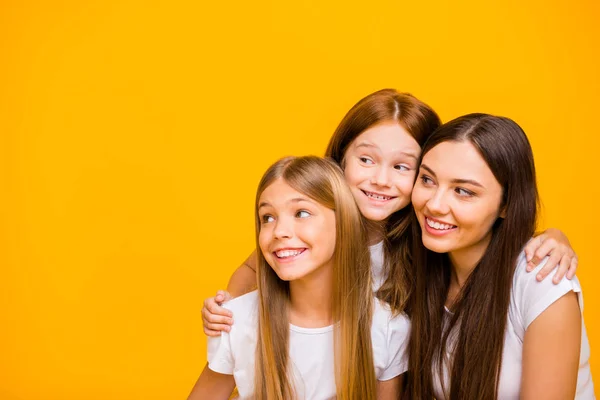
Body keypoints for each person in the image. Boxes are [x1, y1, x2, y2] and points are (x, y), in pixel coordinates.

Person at [201, 89, 578, 336]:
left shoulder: (431, 231)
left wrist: (552, 236)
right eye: (366, 159)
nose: (381, 180)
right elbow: (254, 267)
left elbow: (490, 235)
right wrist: (228, 309)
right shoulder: (312, 222)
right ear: (340, 159)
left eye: (402, 167)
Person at [187, 156, 411, 400]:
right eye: (267, 218)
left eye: (301, 213)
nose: (280, 231)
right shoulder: (236, 321)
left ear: (344, 222)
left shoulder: (389, 329)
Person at [407, 113, 593, 399]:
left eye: (463, 191)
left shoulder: (543, 282)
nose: (434, 204)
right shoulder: (419, 266)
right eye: (427, 179)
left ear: (506, 204)